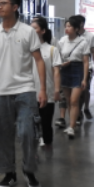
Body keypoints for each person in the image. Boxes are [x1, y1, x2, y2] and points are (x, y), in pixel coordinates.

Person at [0, 0, 47, 187]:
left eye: (3, 3)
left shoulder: (28, 32)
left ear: (15, 7)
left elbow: (39, 60)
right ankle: (8, 173)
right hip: (0, 91)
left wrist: (42, 89)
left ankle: (29, 170)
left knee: (28, 132)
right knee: (3, 134)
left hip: (25, 89)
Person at [56, 16, 90, 140]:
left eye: (69, 26)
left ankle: (71, 127)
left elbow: (85, 62)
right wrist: (61, 64)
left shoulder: (83, 42)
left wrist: (84, 79)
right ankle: (72, 124)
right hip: (65, 70)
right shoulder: (62, 41)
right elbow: (57, 56)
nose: (67, 28)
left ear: (76, 29)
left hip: (77, 70)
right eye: (66, 26)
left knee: (74, 101)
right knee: (68, 100)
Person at [31, 17, 61, 148]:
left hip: (47, 90)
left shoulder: (51, 50)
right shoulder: (26, 49)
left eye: (34, 28)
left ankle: (46, 140)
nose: (31, 31)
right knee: (30, 120)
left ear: (43, 31)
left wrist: (56, 90)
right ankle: (35, 138)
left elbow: (56, 71)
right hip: (29, 90)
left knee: (46, 120)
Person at [75, 15, 94, 121]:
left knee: (85, 89)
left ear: (82, 24)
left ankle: (86, 108)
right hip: (75, 66)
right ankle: (78, 111)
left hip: (87, 66)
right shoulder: (72, 35)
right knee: (77, 90)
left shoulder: (90, 36)